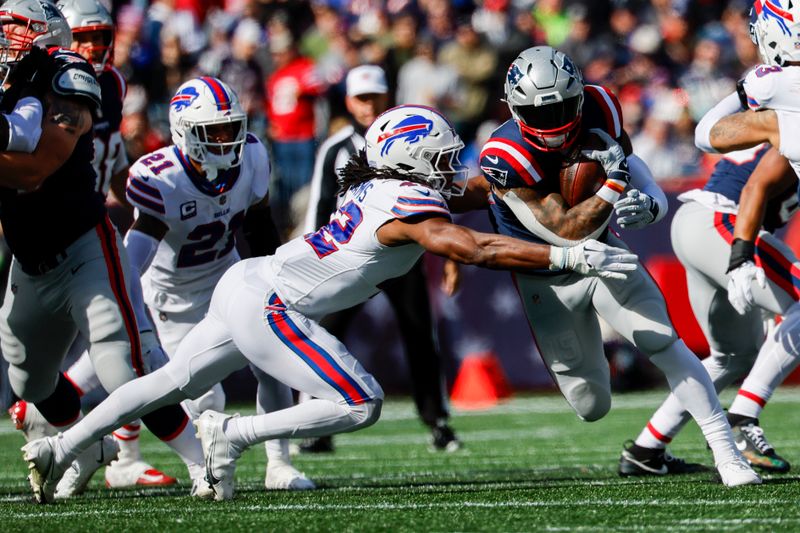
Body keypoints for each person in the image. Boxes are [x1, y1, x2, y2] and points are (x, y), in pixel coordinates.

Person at [21, 104, 640, 502]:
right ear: (411, 161)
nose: (453, 167)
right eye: (442, 158)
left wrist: (534, 194)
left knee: (168, 382)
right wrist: (569, 256)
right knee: (361, 401)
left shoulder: (377, 183)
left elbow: (469, 205)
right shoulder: (409, 204)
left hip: (250, 282)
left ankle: (60, 445)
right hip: (270, 303)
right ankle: (233, 436)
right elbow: (471, 245)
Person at [479, 45, 759, 486]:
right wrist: (612, 185)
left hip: (603, 254)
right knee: (591, 405)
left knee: (667, 344)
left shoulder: (600, 105)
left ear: (578, 97)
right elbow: (567, 232)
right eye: (540, 114)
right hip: (546, 275)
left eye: (562, 110)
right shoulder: (503, 154)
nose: (553, 126)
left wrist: (654, 201)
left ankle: (728, 456)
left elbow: (631, 164)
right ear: (515, 109)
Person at [0, 0, 209, 504]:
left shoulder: (71, 77)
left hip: (83, 248)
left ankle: (205, 461)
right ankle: (87, 447)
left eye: (16, 28)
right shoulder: (6, 80)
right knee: (27, 377)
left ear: (49, 35)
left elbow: (34, 169)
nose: (5, 35)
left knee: (124, 369)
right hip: (29, 261)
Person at [301, 64, 461, 453]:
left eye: (375, 96)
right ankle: (316, 422)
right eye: (362, 97)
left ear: (387, 96)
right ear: (350, 102)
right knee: (324, 333)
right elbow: (320, 206)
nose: (369, 104)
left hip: (402, 256)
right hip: (352, 258)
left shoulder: (412, 137)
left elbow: (439, 194)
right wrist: (314, 256)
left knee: (420, 333)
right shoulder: (337, 148)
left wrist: (451, 253)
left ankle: (436, 419)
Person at [688, 0, 800, 471]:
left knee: (728, 354)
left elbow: (704, 133)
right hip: (715, 217)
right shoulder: (781, 88)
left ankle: (738, 412)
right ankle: (743, 411)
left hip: (715, 216)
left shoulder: (775, 86)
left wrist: (740, 92)